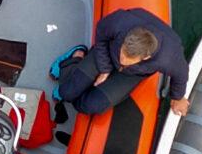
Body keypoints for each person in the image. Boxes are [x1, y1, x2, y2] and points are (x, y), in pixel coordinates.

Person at [51, 8, 190, 120]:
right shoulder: (119, 22)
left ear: (146, 57)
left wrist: (178, 97)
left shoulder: (168, 58)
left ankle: (80, 87)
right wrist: (105, 68)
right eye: (123, 53)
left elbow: (181, 73)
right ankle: (77, 56)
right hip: (107, 53)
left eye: (129, 58)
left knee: (92, 106)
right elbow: (101, 32)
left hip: (132, 74)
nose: (122, 59)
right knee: (66, 92)